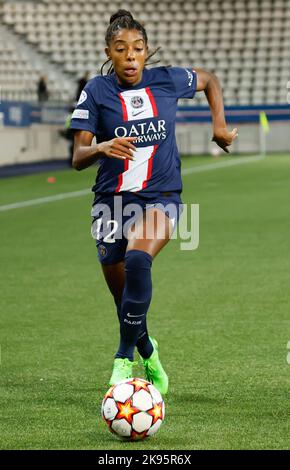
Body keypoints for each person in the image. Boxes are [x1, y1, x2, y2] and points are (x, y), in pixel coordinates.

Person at [70, 10, 238, 395]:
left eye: (138, 49)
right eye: (121, 49)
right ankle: (148, 349)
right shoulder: (96, 91)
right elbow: (78, 158)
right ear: (108, 52)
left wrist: (218, 125)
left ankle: (121, 360)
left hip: (162, 196)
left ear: (147, 52)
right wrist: (101, 146)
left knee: (137, 259)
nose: (130, 56)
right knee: (123, 297)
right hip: (110, 203)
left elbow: (209, 80)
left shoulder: (168, 80)